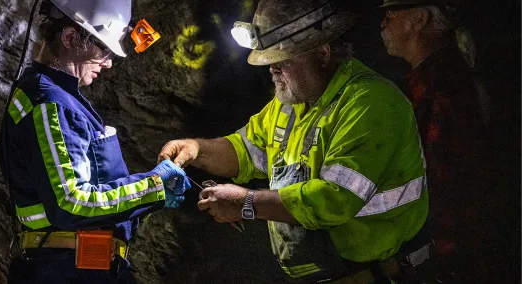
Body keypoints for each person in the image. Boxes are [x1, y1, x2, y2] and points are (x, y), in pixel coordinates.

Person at [159, 0, 432, 282]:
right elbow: (245, 150)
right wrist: (197, 150)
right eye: (269, 60)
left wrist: (247, 203)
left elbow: (334, 199)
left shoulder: (371, 103)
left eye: (283, 60)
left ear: (323, 53)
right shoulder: (291, 103)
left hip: (381, 275)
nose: (272, 69)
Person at [0, 0, 189, 283]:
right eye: (104, 49)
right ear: (70, 37)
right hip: (67, 271)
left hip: (78, 267)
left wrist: (149, 202)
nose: (109, 62)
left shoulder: (60, 98)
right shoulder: (52, 103)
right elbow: (71, 202)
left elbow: (93, 198)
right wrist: (153, 185)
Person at [379, 0, 507, 280]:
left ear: (419, 19)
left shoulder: (441, 88)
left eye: (390, 14)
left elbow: (447, 186)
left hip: (454, 259)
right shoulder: (438, 77)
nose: (383, 23)